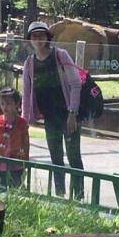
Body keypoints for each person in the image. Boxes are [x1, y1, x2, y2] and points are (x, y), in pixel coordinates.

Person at [21, 21, 85, 199]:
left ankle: (79, 197)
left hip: (68, 115)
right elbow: (26, 94)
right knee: (56, 158)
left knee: (74, 158)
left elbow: (75, 84)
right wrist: (24, 121)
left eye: (41, 36)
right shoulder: (30, 63)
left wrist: (73, 113)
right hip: (50, 117)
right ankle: (60, 196)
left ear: (47, 38)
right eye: (34, 37)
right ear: (30, 40)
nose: (38, 40)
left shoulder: (60, 55)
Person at [0, 87, 30, 188]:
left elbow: (25, 143)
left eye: (8, 104)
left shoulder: (22, 123)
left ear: (17, 104)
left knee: (14, 189)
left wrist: (25, 161)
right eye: (2, 104)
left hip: (15, 164)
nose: (5, 107)